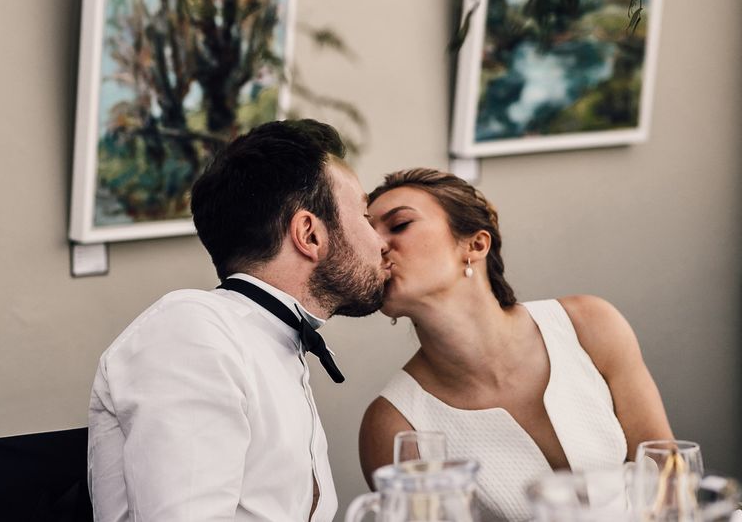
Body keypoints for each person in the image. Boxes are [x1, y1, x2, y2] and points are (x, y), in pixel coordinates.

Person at [88, 119, 390, 522]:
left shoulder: (272, 341)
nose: (381, 241)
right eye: (366, 216)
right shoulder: (192, 332)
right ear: (309, 234)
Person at [359, 168, 673, 522]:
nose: (377, 244)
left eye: (399, 225)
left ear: (475, 245)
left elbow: (669, 477)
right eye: (367, 234)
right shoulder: (394, 425)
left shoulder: (590, 326)